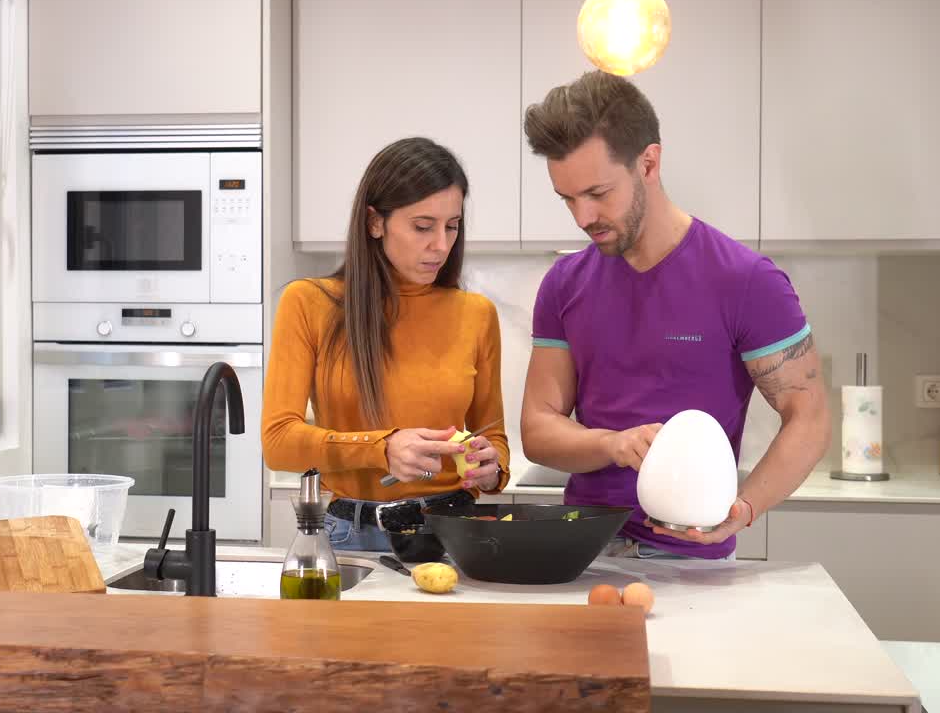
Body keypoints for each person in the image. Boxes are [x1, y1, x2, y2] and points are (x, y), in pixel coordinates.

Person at [519, 71, 830, 560]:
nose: (582, 217)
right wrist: (612, 444)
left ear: (649, 162)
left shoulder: (745, 280)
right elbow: (538, 429)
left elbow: (809, 417)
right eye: (568, 198)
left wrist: (745, 507)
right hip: (583, 553)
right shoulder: (564, 284)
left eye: (598, 193)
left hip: (692, 562)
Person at [262, 137, 510, 551]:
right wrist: (383, 448)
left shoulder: (476, 314)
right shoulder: (309, 303)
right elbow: (278, 442)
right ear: (375, 222)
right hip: (350, 536)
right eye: (422, 226)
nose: (441, 246)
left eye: (452, 226)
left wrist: (491, 467)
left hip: (456, 531)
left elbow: (494, 436)